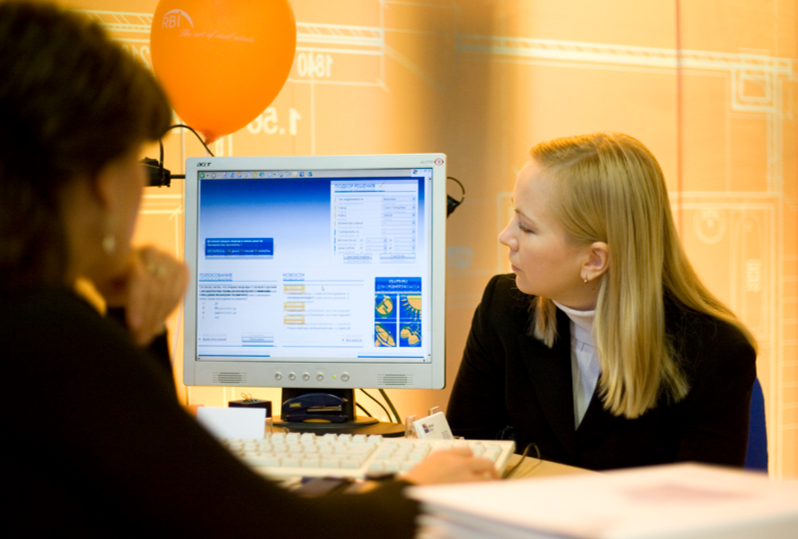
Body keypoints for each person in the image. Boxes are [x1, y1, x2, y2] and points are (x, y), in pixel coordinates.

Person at [0, 2, 497, 536]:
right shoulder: (48, 335)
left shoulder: (29, 323)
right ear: (102, 184)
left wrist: (132, 317)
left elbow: (157, 483)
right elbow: (271, 528)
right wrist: (417, 493)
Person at [447, 132, 758, 471]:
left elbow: (700, 501)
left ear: (594, 260)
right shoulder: (503, 307)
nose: (505, 236)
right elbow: (463, 460)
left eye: (526, 227)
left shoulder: (716, 353)